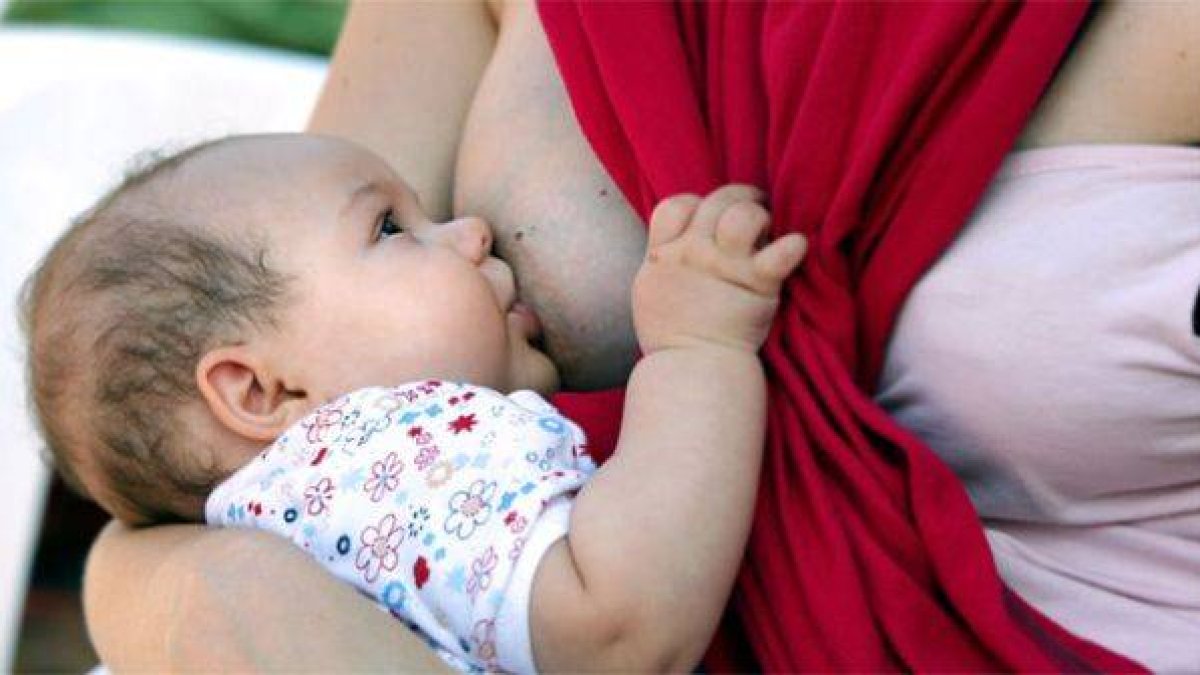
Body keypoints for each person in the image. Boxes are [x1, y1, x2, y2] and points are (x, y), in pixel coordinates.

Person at [80, 0, 1199, 670]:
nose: (470, 234)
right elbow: (176, 464)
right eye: (399, 225)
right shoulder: (359, 458)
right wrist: (232, 602)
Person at [23, 131, 804, 672]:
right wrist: (698, 347)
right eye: (392, 226)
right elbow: (616, 630)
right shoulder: (389, 456)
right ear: (261, 391)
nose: (471, 231)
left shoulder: (311, 507)